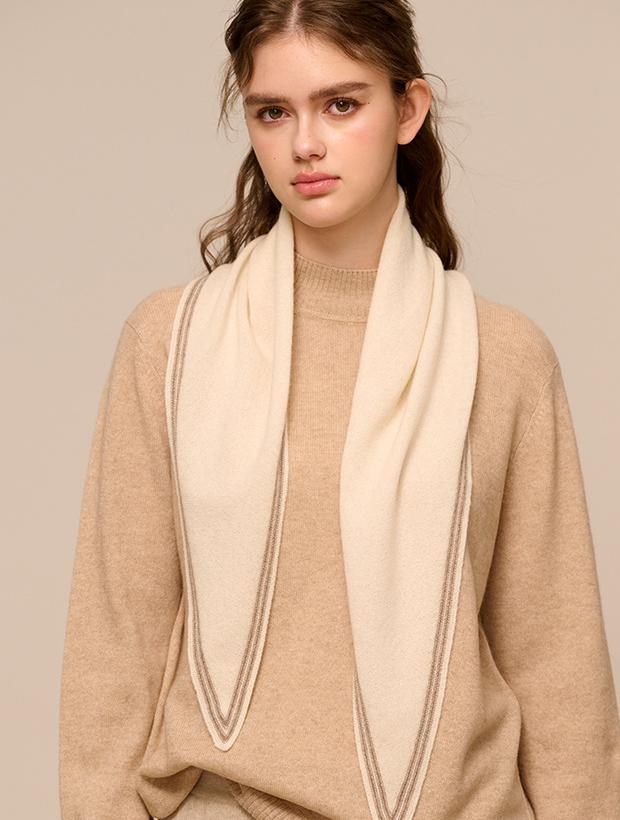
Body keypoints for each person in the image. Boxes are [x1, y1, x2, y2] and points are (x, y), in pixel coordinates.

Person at [58, 2, 620, 819]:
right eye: (272, 112)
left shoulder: (504, 358)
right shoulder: (169, 343)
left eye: (342, 104)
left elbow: (557, 667)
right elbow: (116, 644)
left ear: (409, 109)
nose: (305, 144)